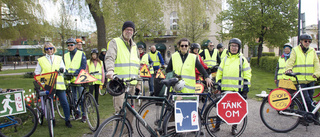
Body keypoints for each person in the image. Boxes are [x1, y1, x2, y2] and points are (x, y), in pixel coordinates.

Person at [105, 21, 141, 125]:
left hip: (132, 85)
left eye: (131, 30)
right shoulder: (115, 42)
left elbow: (137, 66)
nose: (129, 32)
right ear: (123, 31)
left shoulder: (135, 46)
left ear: (133, 32)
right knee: (120, 113)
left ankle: (127, 134)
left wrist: (138, 84)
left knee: (130, 113)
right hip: (119, 84)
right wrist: (110, 70)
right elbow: (109, 57)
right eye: (127, 29)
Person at [215, 38, 252, 135]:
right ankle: (217, 126)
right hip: (225, 89)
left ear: (239, 47)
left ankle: (234, 128)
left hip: (237, 90)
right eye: (232, 46)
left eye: (236, 46)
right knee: (221, 108)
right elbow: (220, 71)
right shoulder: (225, 59)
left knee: (236, 111)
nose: (234, 48)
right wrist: (218, 82)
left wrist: (246, 88)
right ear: (229, 47)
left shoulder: (242, 59)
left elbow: (247, 73)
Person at [34, 42, 72, 128]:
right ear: (45, 50)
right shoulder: (41, 60)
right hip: (48, 85)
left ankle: (67, 119)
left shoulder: (59, 58)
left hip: (59, 84)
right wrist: (39, 77)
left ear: (53, 49)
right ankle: (52, 119)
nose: (49, 50)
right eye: (47, 49)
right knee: (49, 103)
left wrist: (61, 70)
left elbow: (63, 68)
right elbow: (37, 72)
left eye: (51, 48)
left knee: (64, 102)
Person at [285, 34, 320, 125]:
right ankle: (314, 117)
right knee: (306, 99)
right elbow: (291, 61)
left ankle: (308, 117)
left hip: (310, 79)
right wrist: (288, 69)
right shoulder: (295, 50)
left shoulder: (312, 51)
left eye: (309, 42)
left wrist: (317, 73)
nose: (307, 43)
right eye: (305, 41)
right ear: (301, 41)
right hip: (300, 80)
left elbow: (316, 63)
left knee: (310, 99)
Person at [64, 38, 87, 122]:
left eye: (71, 45)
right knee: (74, 98)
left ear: (75, 45)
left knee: (82, 97)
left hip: (79, 78)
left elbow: (83, 66)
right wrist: (65, 72)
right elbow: (64, 66)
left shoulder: (81, 54)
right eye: (68, 45)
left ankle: (84, 114)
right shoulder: (65, 55)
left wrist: (77, 72)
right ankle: (78, 112)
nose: (70, 46)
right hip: (70, 79)